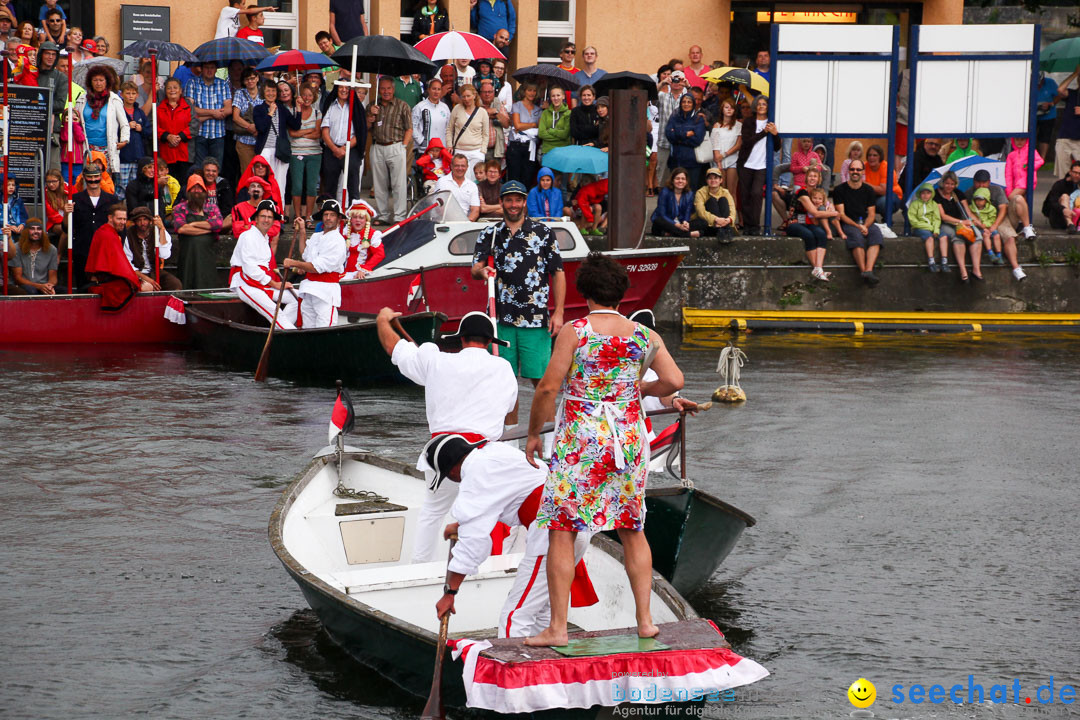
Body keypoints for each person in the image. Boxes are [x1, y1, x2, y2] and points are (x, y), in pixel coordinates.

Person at [523, 253, 684, 647]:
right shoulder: (645, 336)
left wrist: (532, 434)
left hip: (583, 440)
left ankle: (558, 628)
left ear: (585, 292)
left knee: (563, 529)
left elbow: (547, 387)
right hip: (628, 440)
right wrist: (640, 389)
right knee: (632, 527)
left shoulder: (576, 332)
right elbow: (674, 380)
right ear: (621, 292)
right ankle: (645, 621)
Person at [376, 307, 517, 563]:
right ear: (489, 342)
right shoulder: (503, 368)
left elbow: (394, 348)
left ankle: (420, 568)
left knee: (432, 512)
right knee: (488, 510)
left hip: (443, 453)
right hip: (485, 456)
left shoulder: (435, 360)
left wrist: (382, 320)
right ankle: (486, 566)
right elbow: (508, 410)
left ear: (461, 338)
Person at [427, 433, 597, 638]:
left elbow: (474, 543)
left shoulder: (474, 472)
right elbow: (503, 498)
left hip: (550, 531)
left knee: (514, 616)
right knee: (542, 610)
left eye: (448, 476)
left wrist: (450, 593)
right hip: (577, 523)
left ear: (452, 469)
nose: (455, 480)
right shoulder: (497, 452)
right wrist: (462, 525)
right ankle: (538, 666)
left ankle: (511, 667)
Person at [471, 180, 565, 422]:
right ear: (501, 202)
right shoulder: (489, 233)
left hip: (536, 319)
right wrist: (482, 272)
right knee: (505, 385)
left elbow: (558, 273)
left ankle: (546, 445)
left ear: (524, 202)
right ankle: (510, 444)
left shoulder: (544, 233)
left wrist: (559, 312)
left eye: (518, 200)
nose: (513, 205)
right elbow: (476, 268)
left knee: (542, 384)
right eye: (509, 200)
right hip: (501, 319)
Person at [230, 199, 297, 328]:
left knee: (297, 299)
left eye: (269, 217)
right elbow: (250, 269)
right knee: (274, 311)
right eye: (263, 216)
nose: (266, 220)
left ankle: (278, 334)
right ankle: (291, 337)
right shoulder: (248, 236)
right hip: (246, 283)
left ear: (273, 221)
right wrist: (276, 284)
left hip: (261, 283)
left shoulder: (264, 238)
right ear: (256, 218)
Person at [280, 199, 347, 328]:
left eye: (332, 215)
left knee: (325, 330)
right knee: (307, 329)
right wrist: (303, 230)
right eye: (326, 214)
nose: (328, 218)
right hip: (309, 289)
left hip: (325, 292)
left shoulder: (337, 241)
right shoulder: (317, 235)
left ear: (339, 219)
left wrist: (294, 263)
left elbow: (316, 267)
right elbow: (305, 253)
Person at [964, 169, 1026, 281]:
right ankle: (995, 255)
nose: (981, 185)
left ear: (989, 182)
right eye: (978, 182)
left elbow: (1003, 209)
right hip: (981, 222)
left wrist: (994, 225)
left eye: (984, 182)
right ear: (974, 182)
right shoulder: (969, 193)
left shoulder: (996, 190)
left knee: (1010, 237)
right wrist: (980, 224)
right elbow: (968, 212)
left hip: (999, 219)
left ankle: (1016, 268)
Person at [367, 76, 413, 224]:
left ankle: (399, 217)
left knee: (399, 184)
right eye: (382, 88)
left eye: (388, 88)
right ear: (379, 90)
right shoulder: (372, 106)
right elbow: (366, 128)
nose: (385, 91)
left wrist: (403, 146)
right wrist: (370, 117)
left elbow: (409, 128)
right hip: (377, 146)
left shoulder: (402, 105)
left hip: (396, 146)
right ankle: (383, 215)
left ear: (393, 89)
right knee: (379, 185)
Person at [66, 162, 119, 289]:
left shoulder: (112, 199)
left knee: (106, 285)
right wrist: (66, 214)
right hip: (82, 249)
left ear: (101, 177)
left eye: (96, 176)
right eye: (90, 177)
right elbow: (66, 227)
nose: (93, 180)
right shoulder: (75, 199)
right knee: (83, 285)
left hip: (105, 249)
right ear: (84, 178)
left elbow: (119, 224)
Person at [84, 204, 147, 309]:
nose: (123, 222)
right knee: (146, 287)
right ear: (110, 218)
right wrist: (135, 280)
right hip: (107, 282)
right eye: (119, 219)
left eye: (124, 219)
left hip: (109, 278)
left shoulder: (107, 232)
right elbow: (117, 267)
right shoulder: (107, 235)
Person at [831, 160, 883, 285]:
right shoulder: (839, 190)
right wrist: (858, 226)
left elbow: (871, 214)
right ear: (848, 171)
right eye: (853, 169)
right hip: (849, 222)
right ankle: (864, 271)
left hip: (866, 222)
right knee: (856, 237)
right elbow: (841, 214)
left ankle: (868, 271)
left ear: (863, 172)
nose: (855, 172)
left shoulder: (869, 190)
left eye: (858, 170)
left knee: (876, 235)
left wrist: (865, 226)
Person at [75, 66, 129, 177]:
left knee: (104, 180)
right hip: (86, 147)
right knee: (87, 178)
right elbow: (75, 120)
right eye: (95, 80)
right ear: (90, 82)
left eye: (101, 80)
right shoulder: (82, 99)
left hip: (106, 147)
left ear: (107, 82)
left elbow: (124, 124)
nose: (98, 83)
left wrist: (124, 140)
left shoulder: (114, 99)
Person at [736, 95, 779, 235]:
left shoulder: (772, 123)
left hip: (762, 165)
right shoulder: (749, 121)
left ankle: (754, 225)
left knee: (756, 193)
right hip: (746, 164)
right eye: (759, 104)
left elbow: (777, 147)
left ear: (768, 107)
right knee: (745, 195)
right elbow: (747, 142)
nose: (761, 106)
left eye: (764, 104)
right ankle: (748, 226)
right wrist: (763, 133)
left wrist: (775, 134)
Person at [173, 174, 224, 290]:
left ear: (204, 190)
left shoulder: (211, 207)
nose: (197, 191)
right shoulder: (181, 208)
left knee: (207, 285)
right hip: (187, 257)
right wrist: (208, 230)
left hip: (207, 257)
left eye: (199, 187)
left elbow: (218, 224)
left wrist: (193, 224)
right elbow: (181, 228)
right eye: (194, 188)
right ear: (188, 190)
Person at [321, 81, 366, 206]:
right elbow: (325, 130)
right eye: (341, 87)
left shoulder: (356, 108)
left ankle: (353, 215)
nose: (344, 90)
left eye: (347, 87)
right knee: (330, 186)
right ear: (336, 88)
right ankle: (330, 213)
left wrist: (344, 148)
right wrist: (335, 149)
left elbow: (360, 133)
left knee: (353, 186)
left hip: (351, 150)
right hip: (332, 149)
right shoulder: (330, 106)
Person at [253, 81, 296, 204]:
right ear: (263, 92)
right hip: (265, 149)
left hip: (280, 149)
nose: (271, 94)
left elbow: (295, 124)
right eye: (268, 91)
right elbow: (261, 127)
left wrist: (298, 108)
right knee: (264, 181)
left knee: (280, 182)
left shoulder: (282, 108)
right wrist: (270, 113)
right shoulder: (259, 109)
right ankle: (264, 207)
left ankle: (279, 211)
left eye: (273, 91)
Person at [286, 85, 322, 226]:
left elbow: (317, 133)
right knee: (297, 187)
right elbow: (292, 133)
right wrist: (308, 132)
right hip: (296, 153)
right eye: (304, 95)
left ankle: (308, 217)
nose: (307, 98)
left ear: (314, 98)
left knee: (312, 187)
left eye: (310, 96)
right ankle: (298, 217)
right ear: (299, 96)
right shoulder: (293, 111)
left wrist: (300, 133)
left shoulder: (317, 112)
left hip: (314, 153)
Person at [185, 61, 231, 168]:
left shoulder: (223, 84)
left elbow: (228, 109)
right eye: (206, 67)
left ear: (216, 69)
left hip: (218, 133)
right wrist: (213, 113)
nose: (209, 70)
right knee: (199, 168)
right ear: (201, 69)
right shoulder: (192, 83)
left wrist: (204, 116)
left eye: (212, 67)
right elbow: (189, 109)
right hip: (199, 133)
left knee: (216, 168)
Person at [124, 205, 180, 291]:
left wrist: (161, 229)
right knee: (147, 288)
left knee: (175, 284)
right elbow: (128, 263)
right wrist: (146, 278)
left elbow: (164, 255)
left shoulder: (157, 231)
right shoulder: (129, 234)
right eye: (139, 220)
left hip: (155, 271)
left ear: (150, 221)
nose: (142, 223)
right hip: (137, 273)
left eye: (145, 219)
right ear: (135, 222)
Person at [1003, 137, 1043, 241]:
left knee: (1013, 198)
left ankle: (1025, 225)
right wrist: (1008, 190)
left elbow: (1040, 161)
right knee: (1020, 200)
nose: (1019, 142)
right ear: (1013, 141)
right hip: (1017, 184)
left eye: (1022, 139)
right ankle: (1024, 225)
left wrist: (1029, 166)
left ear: (1027, 140)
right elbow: (1008, 175)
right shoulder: (1011, 155)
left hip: (1026, 181)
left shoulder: (1031, 151)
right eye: (1017, 140)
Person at [445, 84, 489, 178]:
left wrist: (483, 151)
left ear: (474, 95)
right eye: (463, 96)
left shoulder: (482, 112)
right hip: (460, 150)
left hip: (476, 151)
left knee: (476, 180)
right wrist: (449, 144)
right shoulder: (457, 109)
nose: (466, 99)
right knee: (460, 178)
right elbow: (450, 129)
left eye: (468, 96)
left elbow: (486, 134)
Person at [665, 93, 706, 190]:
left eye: (689, 102)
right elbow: (669, 135)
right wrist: (686, 135)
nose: (686, 104)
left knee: (691, 190)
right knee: (675, 189)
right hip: (675, 161)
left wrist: (678, 136)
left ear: (693, 104)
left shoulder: (698, 119)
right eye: (683, 102)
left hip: (692, 162)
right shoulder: (674, 118)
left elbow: (697, 140)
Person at [7, 220, 58, 295]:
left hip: (44, 285)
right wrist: (39, 286)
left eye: (39, 229)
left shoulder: (52, 249)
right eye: (32, 229)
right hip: (24, 286)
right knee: (32, 291)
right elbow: (18, 278)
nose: (36, 231)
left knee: (63, 291)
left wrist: (49, 287)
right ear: (26, 232)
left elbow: (53, 277)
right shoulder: (16, 248)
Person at [158, 78, 193, 182]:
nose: (172, 90)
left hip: (184, 152)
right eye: (169, 88)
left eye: (175, 87)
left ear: (181, 90)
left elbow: (194, 125)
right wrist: (167, 136)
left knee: (184, 182)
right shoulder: (159, 107)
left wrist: (179, 137)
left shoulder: (188, 106)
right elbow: (153, 125)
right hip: (165, 152)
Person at [231, 177, 280, 249]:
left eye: (259, 186)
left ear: (263, 191)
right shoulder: (238, 208)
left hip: (266, 248)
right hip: (246, 247)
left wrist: (249, 225)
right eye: (253, 186)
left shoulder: (273, 208)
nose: (256, 189)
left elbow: (274, 230)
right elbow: (237, 231)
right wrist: (262, 227)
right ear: (248, 191)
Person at [508, 83, 541, 187]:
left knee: (527, 177)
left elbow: (540, 126)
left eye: (534, 91)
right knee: (514, 177)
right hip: (516, 146)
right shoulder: (517, 105)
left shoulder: (538, 109)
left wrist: (545, 109)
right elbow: (517, 125)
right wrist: (533, 124)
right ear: (524, 91)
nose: (532, 93)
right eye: (529, 90)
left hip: (530, 147)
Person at [863, 144, 900, 236]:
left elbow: (883, 190)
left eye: (875, 155)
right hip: (871, 195)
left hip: (891, 196)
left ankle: (887, 219)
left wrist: (865, 184)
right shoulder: (863, 166)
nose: (871, 158)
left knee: (883, 202)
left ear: (880, 157)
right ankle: (871, 220)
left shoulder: (886, 167)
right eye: (869, 155)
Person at [908, 183, 946, 273]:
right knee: (929, 238)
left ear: (932, 194)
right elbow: (913, 220)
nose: (925, 195)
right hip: (920, 227)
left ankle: (944, 261)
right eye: (923, 193)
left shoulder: (934, 204)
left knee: (944, 236)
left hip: (933, 227)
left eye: (928, 193)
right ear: (919, 194)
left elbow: (937, 218)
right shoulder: (914, 204)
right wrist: (929, 227)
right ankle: (931, 261)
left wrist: (936, 229)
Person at [342, 200, 384, 279]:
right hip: (344, 272)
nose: (358, 220)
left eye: (361, 218)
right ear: (351, 220)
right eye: (355, 217)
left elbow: (379, 254)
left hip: (360, 274)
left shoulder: (373, 234)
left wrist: (364, 269)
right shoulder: (345, 232)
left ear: (366, 220)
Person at [691, 167, 736, 242]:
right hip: (710, 224)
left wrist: (728, 220)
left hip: (724, 224)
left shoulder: (725, 192)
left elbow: (732, 209)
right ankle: (723, 230)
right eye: (710, 178)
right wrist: (716, 219)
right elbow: (701, 212)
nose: (713, 180)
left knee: (723, 200)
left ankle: (724, 229)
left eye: (716, 178)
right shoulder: (701, 192)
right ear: (706, 180)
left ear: (721, 180)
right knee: (711, 200)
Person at [651, 168, 698, 238]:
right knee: (658, 221)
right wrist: (678, 225)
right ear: (672, 180)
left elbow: (688, 212)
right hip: (667, 222)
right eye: (677, 178)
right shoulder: (664, 192)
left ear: (686, 181)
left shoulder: (689, 194)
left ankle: (672, 233)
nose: (680, 181)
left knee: (703, 223)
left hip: (681, 222)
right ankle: (687, 234)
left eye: (683, 179)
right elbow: (662, 214)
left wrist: (685, 222)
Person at [433, 154, 481, 221]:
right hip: (445, 223)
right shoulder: (442, 182)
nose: (460, 168)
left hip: (465, 224)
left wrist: (466, 223)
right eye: (457, 166)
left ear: (467, 167)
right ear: (451, 166)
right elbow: (439, 207)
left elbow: (475, 210)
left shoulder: (472, 186)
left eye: (463, 166)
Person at [711, 98, 741, 199]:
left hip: (733, 160)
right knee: (721, 190)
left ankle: (732, 214)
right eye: (726, 107)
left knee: (731, 191)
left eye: (732, 108)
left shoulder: (738, 125)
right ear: (722, 109)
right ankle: (722, 214)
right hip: (719, 161)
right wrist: (718, 162)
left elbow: (738, 145)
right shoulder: (717, 125)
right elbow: (715, 145)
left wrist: (724, 155)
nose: (729, 109)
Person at [1054, 65, 1080, 180]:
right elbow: (1060, 90)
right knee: (1064, 174)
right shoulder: (1073, 94)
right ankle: (1066, 194)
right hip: (1065, 137)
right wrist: (1074, 74)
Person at [412, 78, 450, 155]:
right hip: (425, 150)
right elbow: (413, 126)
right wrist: (421, 141)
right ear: (428, 90)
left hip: (442, 150)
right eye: (434, 89)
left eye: (439, 89)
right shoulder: (420, 107)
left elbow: (449, 127)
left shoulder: (445, 107)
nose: (436, 92)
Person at [1042, 160, 1080, 231]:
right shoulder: (1060, 184)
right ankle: (1070, 224)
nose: (1077, 175)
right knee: (1065, 196)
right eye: (1075, 172)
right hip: (1059, 218)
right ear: (1070, 172)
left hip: (1077, 217)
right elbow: (1052, 202)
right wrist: (1063, 209)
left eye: (1079, 173)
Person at [537, 86, 571, 162]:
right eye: (553, 96)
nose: (556, 98)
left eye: (558, 95)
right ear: (550, 98)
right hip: (547, 151)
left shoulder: (569, 113)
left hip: (563, 151)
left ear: (563, 96)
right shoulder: (545, 113)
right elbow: (541, 133)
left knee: (561, 174)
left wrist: (551, 130)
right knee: (547, 173)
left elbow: (565, 134)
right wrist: (559, 135)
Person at [478, 80, 508, 164]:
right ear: (480, 93)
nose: (487, 94)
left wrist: (496, 113)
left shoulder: (498, 104)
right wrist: (487, 112)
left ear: (494, 93)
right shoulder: (476, 104)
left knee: (493, 175)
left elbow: (506, 124)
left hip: (495, 150)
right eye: (485, 92)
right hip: (478, 150)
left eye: (490, 92)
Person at [36, 41, 67, 118]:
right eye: (47, 53)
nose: (50, 57)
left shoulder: (61, 77)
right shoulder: (32, 73)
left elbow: (60, 104)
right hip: (32, 119)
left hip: (52, 122)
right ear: (41, 55)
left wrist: (36, 103)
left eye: (53, 54)